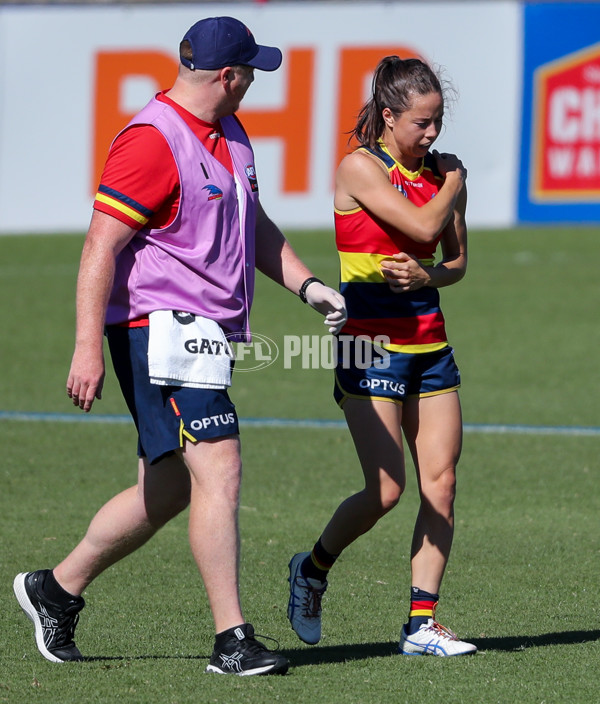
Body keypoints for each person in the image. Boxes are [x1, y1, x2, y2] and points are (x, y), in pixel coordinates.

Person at [13, 16, 346, 677]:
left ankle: (55, 589)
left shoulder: (229, 132)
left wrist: (307, 285)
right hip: (154, 330)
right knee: (219, 469)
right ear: (229, 76)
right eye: (252, 71)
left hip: (199, 335)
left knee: (167, 489)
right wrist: (86, 348)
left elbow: (251, 225)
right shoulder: (152, 140)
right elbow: (99, 247)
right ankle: (232, 640)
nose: (256, 81)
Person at [287, 55, 476, 656]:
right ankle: (312, 568)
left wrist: (429, 279)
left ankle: (421, 625)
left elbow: (454, 262)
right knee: (387, 490)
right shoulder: (358, 168)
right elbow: (423, 229)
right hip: (369, 345)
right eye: (422, 123)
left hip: (430, 345)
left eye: (439, 120)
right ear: (389, 116)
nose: (433, 134)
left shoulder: (441, 176)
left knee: (440, 486)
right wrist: (454, 182)